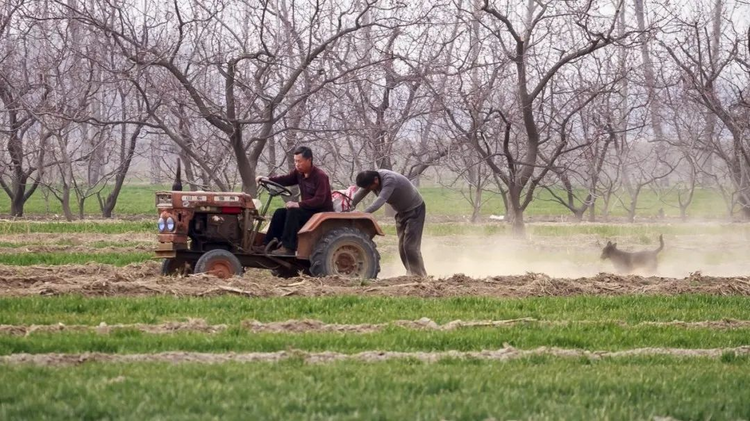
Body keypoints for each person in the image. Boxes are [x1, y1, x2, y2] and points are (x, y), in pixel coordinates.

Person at [256, 146, 333, 256]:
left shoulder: (320, 176)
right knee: (280, 212)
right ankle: (268, 244)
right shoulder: (298, 173)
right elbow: (285, 179)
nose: (297, 164)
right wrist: (268, 179)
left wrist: (298, 204)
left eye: (299, 161)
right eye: (295, 161)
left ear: (309, 160)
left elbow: (319, 200)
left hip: (319, 212)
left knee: (293, 211)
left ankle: (288, 247)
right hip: (307, 209)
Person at [351, 169, 427, 276]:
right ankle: (410, 273)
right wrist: (349, 206)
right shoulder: (371, 179)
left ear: (376, 181)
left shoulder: (389, 180)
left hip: (415, 210)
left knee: (410, 246)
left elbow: (380, 200)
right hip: (401, 212)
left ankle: (420, 276)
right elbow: (360, 194)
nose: (368, 190)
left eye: (369, 188)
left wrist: (364, 214)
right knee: (402, 247)